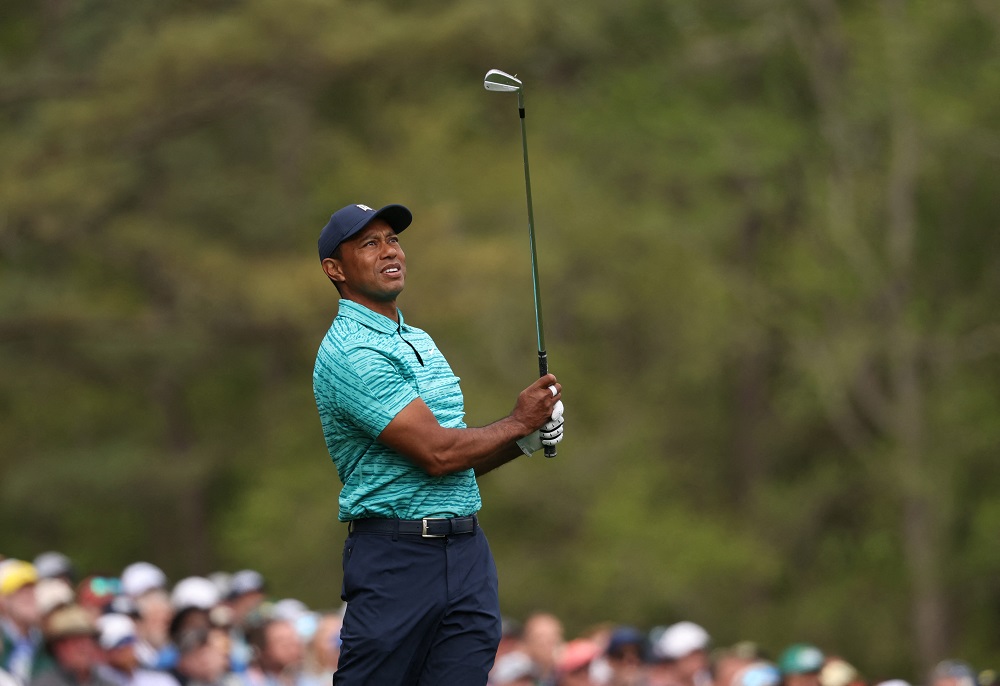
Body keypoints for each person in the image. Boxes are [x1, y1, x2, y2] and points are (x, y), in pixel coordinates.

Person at [312, 202, 565, 685]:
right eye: (369, 243)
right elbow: (436, 453)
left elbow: (455, 462)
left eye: (393, 239)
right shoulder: (349, 350)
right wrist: (516, 421)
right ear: (335, 269)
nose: (390, 252)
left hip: (467, 551)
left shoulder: (419, 338)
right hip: (396, 560)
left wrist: (525, 440)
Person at [30, 604, 115, 686]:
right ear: (57, 648)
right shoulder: (43, 683)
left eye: (88, 640)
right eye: (76, 642)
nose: (84, 648)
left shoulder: (108, 683)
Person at [95, 614, 179, 686]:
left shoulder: (161, 680)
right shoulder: (98, 678)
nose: (126, 649)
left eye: (128, 642)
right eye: (119, 645)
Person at [1, 560, 47, 685]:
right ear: (2, 599)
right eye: (20, 591)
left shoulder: (49, 642)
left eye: (32, 588)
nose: (30, 596)